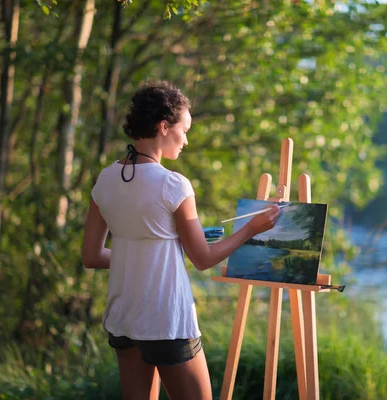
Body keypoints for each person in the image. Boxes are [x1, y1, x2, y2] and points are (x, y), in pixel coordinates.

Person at [81, 80, 281, 400]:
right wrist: (251, 229)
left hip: (123, 317)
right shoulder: (173, 184)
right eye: (184, 130)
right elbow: (203, 259)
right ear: (164, 126)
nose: (186, 140)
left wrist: (155, 253)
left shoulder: (105, 179)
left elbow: (91, 256)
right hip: (165, 320)